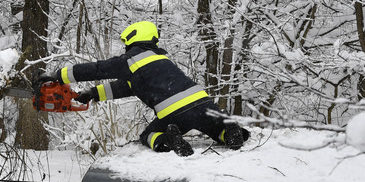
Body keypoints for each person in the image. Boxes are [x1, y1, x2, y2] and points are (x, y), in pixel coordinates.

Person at [39, 21, 247, 156]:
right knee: (213, 129)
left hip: (174, 114)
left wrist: (59, 75)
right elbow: (126, 88)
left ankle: (168, 138)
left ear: (133, 38)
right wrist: (92, 94)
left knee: (147, 135)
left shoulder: (130, 60)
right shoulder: (160, 58)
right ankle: (229, 131)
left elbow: (98, 69)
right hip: (202, 103)